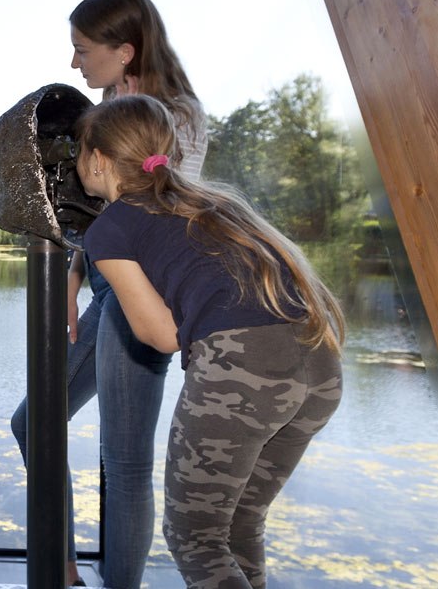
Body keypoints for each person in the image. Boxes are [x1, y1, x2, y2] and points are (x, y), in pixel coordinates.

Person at [76, 94, 345, 589]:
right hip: (319, 364)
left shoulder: (109, 228)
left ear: (97, 160)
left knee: (194, 536)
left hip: (245, 370)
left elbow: (162, 336)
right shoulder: (211, 202)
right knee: (240, 522)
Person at [9, 0, 205, 588]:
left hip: (141, 295)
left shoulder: (174, 119)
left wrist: (98, 270)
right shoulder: (109, 116)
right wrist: (73, 274)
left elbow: (156, 215)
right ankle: (61, 567)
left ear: (123, 52)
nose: (74, 63)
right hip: (107, 288)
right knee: (32, 424)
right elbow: (97, 215)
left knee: (123, 461)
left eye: (82, 49)